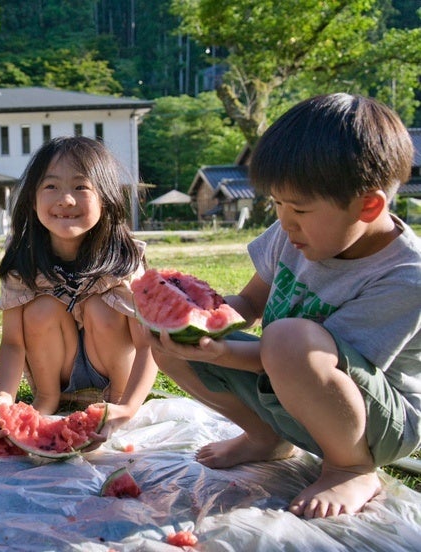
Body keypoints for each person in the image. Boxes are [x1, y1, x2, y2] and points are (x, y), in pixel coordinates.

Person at [148, 93, 421, 519]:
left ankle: (350, 468)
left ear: (368, 205)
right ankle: (266, 437)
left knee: (288, 337)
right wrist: (194, 318)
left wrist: (223, 351)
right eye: (276, 203)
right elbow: (251, 302)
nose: (285, 221)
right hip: (290, 393)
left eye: (299, 208)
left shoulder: (405, 277)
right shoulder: (290, 232)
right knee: (164, 343)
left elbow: (311, 361)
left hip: (370, 424)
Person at [0, 136, 158, 442]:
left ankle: (115, 402)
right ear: (32, 198)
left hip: (113, 372)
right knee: (42, 308)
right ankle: (48, 399)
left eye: (81, 187)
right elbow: (12, 343)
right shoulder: (22, 259)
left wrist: (131, 406)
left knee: (100, 306)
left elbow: (146, 344)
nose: (65, 200)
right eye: (51, 186)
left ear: (105, 197)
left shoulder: (124, 257)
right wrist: (4, 396)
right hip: (55, 371)